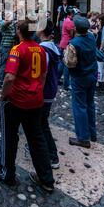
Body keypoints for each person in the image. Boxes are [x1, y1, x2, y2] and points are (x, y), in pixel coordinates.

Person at [0, 20, 55, 193]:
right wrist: (37, 90)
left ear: (19, 31)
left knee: (9, 137)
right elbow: (43, 74)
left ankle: (7, 173)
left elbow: (9, 77)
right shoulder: (41, 49)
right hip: (35, 100)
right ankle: (46, 179)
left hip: (16, 101)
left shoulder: (17, 50)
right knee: (37, 139)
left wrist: (4, 95)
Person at [65, 17, 98, 148]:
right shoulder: (91, 38)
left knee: (79, 106)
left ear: (75, 29)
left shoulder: (74, 43)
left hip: (80, 77)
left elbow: (70, 63)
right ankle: (92, 133)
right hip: (92, 74)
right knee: (90, 104)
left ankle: (83, 138)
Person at [38, 20, 61, 169]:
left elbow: (43, 72)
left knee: (42, 123)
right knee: (41, 121)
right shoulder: (53, 47)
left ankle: (52, 156)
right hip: (51, 88)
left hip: (44, 91)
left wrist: (37, 90)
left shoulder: (43, 49)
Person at [58, 8, 75, 90]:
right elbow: (72, 35)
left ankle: (57, 79)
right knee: (67, 65)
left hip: (62, 43)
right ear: (69, 14)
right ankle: (66, 84)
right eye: (72, 14)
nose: (73, 16)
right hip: (67, 44)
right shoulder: (70, 22)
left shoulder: (65, 20)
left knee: (61, 63)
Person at [0, 11, 16, 87]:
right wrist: (11, 20)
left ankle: (7, 80)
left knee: (10, 64)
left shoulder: (12, 24)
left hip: (12, 47)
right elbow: (6, 24)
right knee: (4, 64)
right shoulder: (3, 23)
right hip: (5, 47)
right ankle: (1, 81)